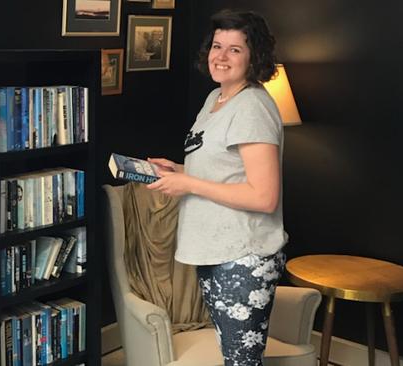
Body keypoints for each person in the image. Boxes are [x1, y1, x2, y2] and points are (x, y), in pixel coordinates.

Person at [147, 9, 287, 365]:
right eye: (216, 46)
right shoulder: (217, 99)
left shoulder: (252, 107)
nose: (221, 57)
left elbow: (264, 196)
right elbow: (224, 170)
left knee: (241, 360)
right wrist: (177, 169)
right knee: (231, 355)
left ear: (255, 56)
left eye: (235, 50)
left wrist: (188, 182)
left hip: (242, 257)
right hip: (215, 251)